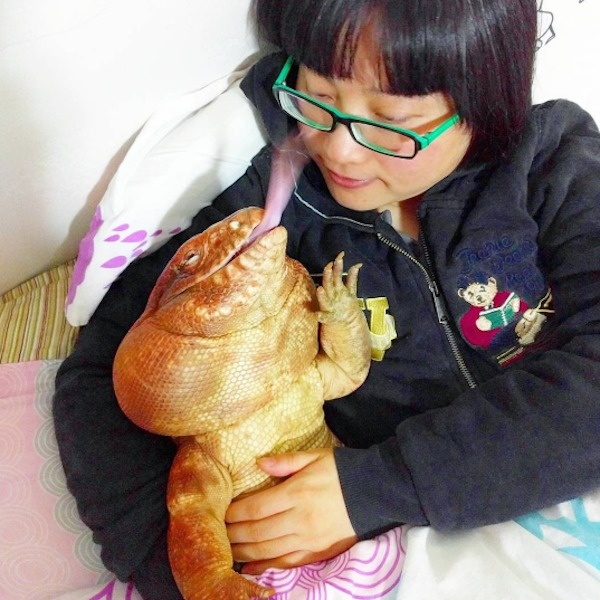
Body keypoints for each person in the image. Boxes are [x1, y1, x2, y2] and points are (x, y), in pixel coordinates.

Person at [53, 0, 600, 598]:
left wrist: (376, 487)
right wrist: (184, 573)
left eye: (393, 122)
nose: (339, 151)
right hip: (371, 555)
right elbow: (103, 373)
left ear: (488, 101)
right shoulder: (271, 201)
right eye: (317, 95)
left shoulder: (552, 162)